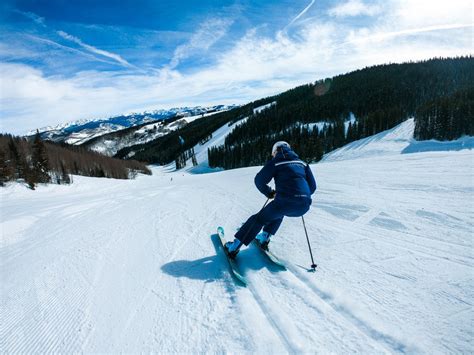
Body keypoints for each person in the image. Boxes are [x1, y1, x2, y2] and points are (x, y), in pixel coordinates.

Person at [224, 141, 317, 258]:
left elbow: (259, 180)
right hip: (304, 205)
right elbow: (312, 187)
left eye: (273, 154)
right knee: (278, 213)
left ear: (275, 151)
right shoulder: (303, 163)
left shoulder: (276, 162)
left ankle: (234, 246)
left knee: (258, 219)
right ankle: (264, 237)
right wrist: (301, 195)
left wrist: (269, 192)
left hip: (284, 203)